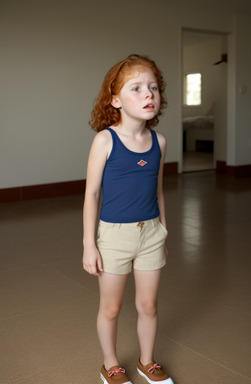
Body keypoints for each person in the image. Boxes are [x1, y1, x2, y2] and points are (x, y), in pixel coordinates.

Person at [82, 54, 174, 384]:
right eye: (136, 88)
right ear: (116, 100)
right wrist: (89, 244)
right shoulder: (105, 140)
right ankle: (110, 364)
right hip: (114, 237)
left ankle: (146, 361)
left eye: (153, 87)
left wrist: (162, 229)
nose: (148, 94)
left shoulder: (159, 142)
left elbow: (159, 190)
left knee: (148, 305)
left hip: (150, 234)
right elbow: (92, 195)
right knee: (111, 308)